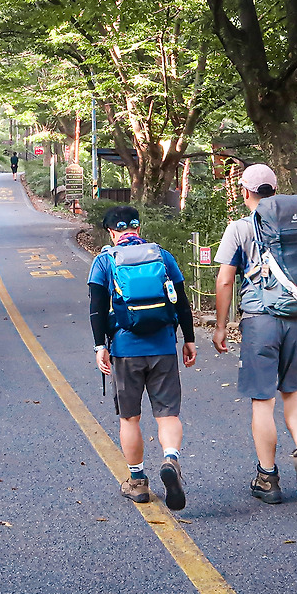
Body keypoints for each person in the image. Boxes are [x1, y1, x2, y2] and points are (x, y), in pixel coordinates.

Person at [212, 163, 297, 504]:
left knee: (263, 400)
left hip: (260, 320)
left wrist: (221, 325)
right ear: (275, 189)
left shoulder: (240, 228)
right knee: (293, 391)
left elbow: (225, 280)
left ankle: (267, 478)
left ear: (245, 191)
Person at [89, 205, 197, 510]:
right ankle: (171, 459)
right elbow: (181, 302)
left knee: (130, 418)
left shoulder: (104, 261)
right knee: (168, 415)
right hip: (163, 347)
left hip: (126, 350)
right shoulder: (162, 256)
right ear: (137, 227)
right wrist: (188, 339)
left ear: (111, 232)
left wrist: (100, 346)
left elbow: (97, 308)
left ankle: (137, 482)